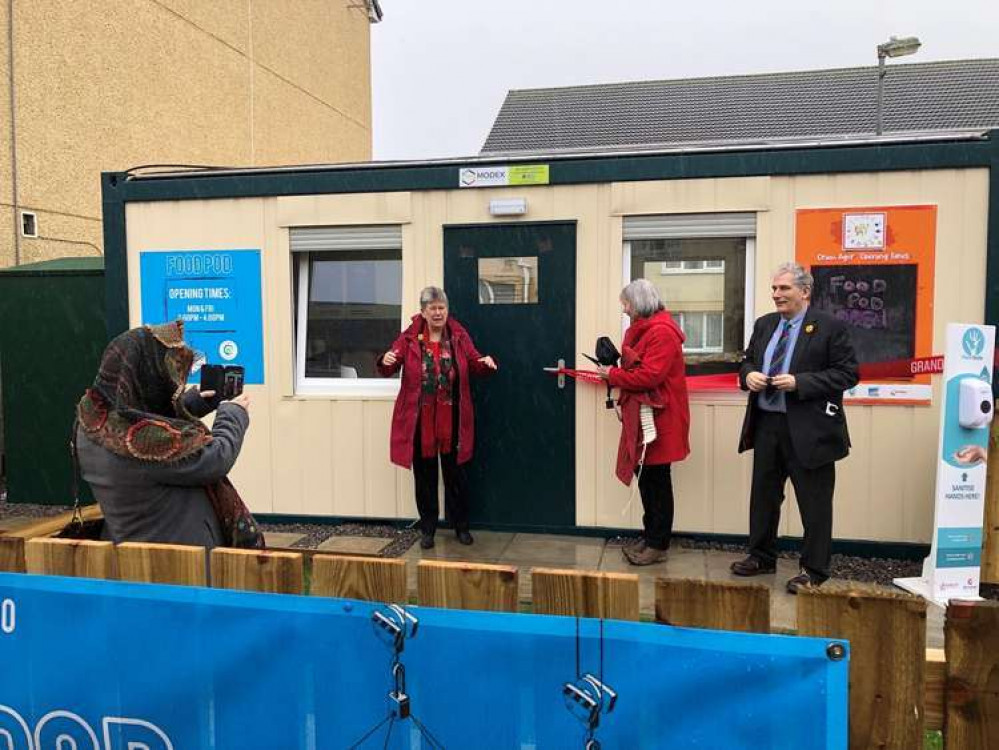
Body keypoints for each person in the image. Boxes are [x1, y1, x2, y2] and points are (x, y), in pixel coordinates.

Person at [75, 321, 262, 549]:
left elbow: (141, 415)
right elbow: (215, 458)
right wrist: (233, 414)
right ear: (146, 377)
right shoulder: (141, 445)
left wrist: (193, 403)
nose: (173, 383)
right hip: (176, 563)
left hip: (133, 550)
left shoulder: (93, 422)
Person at [730, 262, 859, 593]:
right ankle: (761, 556)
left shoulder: (830, 327)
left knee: (814, 503)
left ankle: (813, 570)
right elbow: (747, 361)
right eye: (774, 288)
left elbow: (848, 374)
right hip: (767, 424)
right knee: (764, 496)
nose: (776, 295)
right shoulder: (765, 325)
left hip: (810, 430)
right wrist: (749, 375)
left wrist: (800, 382)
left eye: (784, 288)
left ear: (804, 291)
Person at [378, 286, 497, 549]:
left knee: (456, 476)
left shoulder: (458, 334)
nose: (438, 312)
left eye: (441, 307)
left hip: (452, 418)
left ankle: (461, 526)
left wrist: (485, 363)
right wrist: (385, 360)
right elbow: (390, 365)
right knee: (425, 476)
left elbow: (474, 361)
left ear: (447, 310)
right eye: (432, 308)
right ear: (423, 311)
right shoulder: (410, 337)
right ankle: (428, 529)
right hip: (421, 420)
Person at [599, 279, 690, 566]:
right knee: (647, 480)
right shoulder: (644, 331)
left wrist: (612, 375)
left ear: (638, 305)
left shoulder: (661, 333)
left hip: (660, 419)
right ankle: (650, 535)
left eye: (626, 304)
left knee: (657, 481)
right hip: (646, 416)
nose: (624, 310)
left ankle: (658, 544)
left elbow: (650, 376)